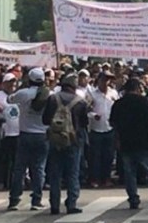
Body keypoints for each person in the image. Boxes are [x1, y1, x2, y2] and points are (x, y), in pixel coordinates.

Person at [111, 78, 148, 212]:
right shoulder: (144, 102)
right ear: (137, 88)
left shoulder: (119, 104)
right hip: (144, 141)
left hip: (126, 141)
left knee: (130, 173)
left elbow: (113, 122)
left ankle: (133, 199)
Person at [42, 74, 89, 215]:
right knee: (73, 172)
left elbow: (45, 120)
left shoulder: (52, 98)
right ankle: (71, 203)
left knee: (55, 173)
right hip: (73, 140)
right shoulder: (80, 102)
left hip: (55, 139)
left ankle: (54, 205)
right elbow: (84, 123)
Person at [7, 68, 52, 211]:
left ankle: (14, 200)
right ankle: (36, 200)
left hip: (25, 133)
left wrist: (22, 86)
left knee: (19, 168)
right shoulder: (49, 94)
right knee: (39, 168)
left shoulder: (23, 93)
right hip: (42, 134)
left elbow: (10, 99)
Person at [86, 71, 118, 188]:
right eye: (104, 79)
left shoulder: (113, 93)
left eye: (108, 80)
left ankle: (106, 178)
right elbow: (87, 110)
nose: (106, 82)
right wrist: (94, 115)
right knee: (95, 156)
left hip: (109, 128)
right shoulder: (92, 94)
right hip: (96, 129)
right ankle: (94, 179)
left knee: (108, 156)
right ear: (98, 80)